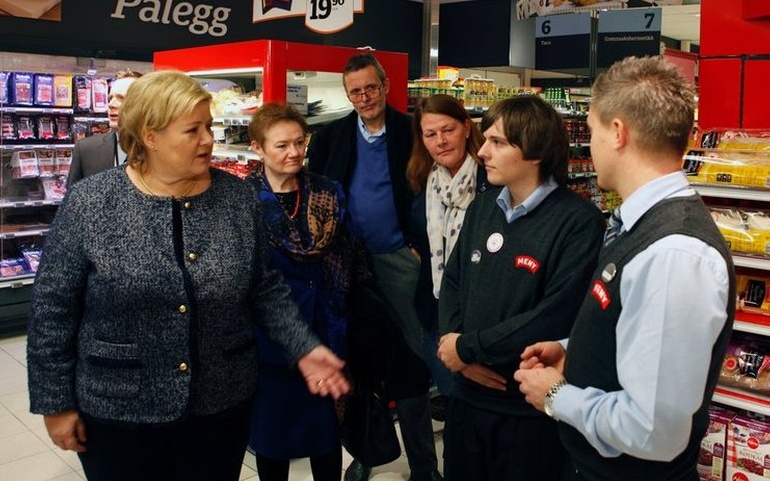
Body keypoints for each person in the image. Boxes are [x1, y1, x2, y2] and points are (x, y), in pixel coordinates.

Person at [26, 70, 349, 481]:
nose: (208, 139)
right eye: (192, 129)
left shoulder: (236, 198)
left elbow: (263, 288)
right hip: (120, 410)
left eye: (209, 126)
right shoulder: (92, 203)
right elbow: (53, 309)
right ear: (150, 136)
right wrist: (56, 403)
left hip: (220, 406)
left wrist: (303, 346)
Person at [514, 56, 735, 481]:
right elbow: (632, 327)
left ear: (618, 133)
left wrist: (558, 396)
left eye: (593, 131)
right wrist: (574, 350)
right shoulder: (641, 226)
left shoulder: (674, 253)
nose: (590, 145)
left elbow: (653, 430)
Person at [436, 95, 606, 481]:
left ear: (534, 151)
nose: (482, 152)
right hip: (466, 401)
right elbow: (454, 280)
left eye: (498, 142)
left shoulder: (579, 223)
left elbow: (555, 314)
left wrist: (467, 348)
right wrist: (453, 346)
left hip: (527, 412)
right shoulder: (482, 208)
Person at [307, 53, 442, 481]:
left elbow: (431, 191)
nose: (364, 97)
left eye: (370, 87)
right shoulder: (331, 136)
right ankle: (366, 452)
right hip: (347, 267)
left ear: (385, 85)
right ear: (347, 95)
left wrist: (418, 248)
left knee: (411, 360)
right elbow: (318, 194)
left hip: (400, 261)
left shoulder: (411, 131)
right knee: (360, 362)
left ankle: (425, 466)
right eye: (355, 91)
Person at [244, 102, 361, 481]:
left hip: (327, 330)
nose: (294, 152)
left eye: (299, 141)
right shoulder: (242, 201)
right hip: (270, 341)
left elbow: (348, 256)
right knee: (272, 437)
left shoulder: (328, 191)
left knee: (325, 436)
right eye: (281, 145)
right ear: (257, 148)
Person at [405, 94, 489, 411]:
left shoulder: (491, 179)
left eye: (448, 130)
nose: (440, 141)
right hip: (435, 310)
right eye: (430, 134)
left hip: (479, 314)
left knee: (476, 402)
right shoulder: (421, 182)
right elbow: (415, 236)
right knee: (452, 394)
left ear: (467, 128)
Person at [66, 68, 142, 188]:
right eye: (110, 98)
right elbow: (71, 202)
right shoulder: (86, 150)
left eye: (122, 98)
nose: (111, 105)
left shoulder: (160, 151)